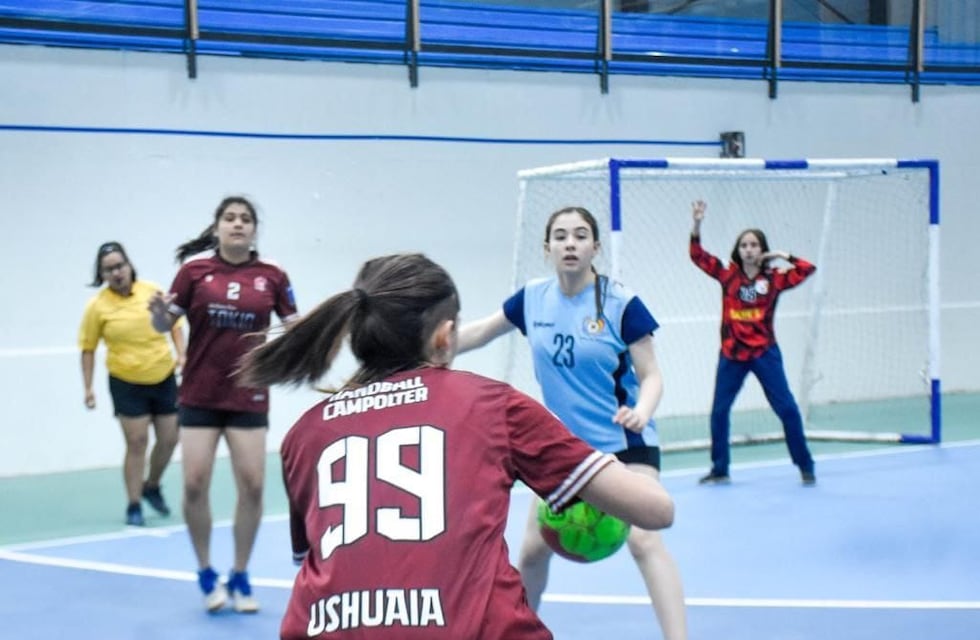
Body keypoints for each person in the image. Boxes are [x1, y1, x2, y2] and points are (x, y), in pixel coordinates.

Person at [236, 252, 676, 640]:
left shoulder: (305, 433)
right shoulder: (491, 404)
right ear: (446, 336)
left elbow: (324, 561)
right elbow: (656, 511)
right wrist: (602, 465)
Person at [456, 206, 688, 640]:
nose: (570, 243)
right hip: (563, 449)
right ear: (547, 248)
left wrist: (644, 410)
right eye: (560, 236)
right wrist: (430, 348)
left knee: (643, 539)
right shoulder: (532, 299)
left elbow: (651, 374)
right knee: (530, 552)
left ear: (595, 247)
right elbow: (479, 333)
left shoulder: (621, 303)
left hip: (624, 443)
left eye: (581, 236)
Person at [148, 196, 299, 614]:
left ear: (254, 230)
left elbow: (293, 327)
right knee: (195, 484)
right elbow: (164, 324)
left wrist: (308, 331)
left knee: (252, 486)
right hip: (199, 393)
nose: (237, 224)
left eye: (245, 219)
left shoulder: (273, 275)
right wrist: (158, 315)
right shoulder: (194, 271)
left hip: (248, 395)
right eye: (229, 218)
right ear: (216, 227)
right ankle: (205, 572)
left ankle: (240, 572)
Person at [689, 199, 817, 486]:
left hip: (764, 354)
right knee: (719, 411)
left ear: (762, 250)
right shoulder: (727, 275)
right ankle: (719, 468)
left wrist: (783, 255)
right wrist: (697, 224)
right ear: (738, 250)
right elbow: (697, 255)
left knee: (786, 409)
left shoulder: (774, 279)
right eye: (744, 245)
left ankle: (805, 465)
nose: (749, 249)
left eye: (754, 245)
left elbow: (808, 268)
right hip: (731, 354)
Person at [79, 241, 185, 527]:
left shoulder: (151, 291)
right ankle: (134, 503)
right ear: (102, 274)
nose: (116, 273)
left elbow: (174, 325)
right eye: (109, 269)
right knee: (137, 442)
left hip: (162, 376)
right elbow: (87, 348)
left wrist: (182, 355)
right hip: (126, 382)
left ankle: (152, 485)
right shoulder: (97, 307)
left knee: (170, 438)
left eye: (119, 266)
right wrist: (88, 388)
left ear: (129, 265)